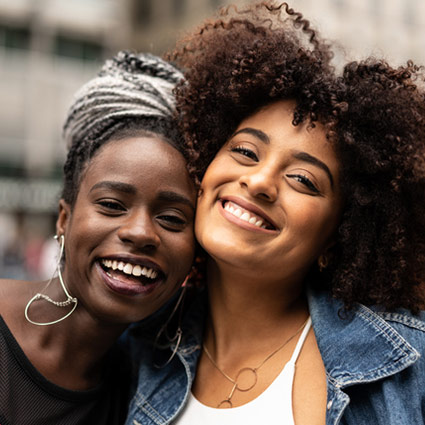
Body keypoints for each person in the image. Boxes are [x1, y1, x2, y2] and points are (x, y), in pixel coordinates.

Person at [124, 2, 425, 425]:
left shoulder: (412, 367)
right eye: (246, 151)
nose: (260, 181)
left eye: (303, 179)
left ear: (339, 235)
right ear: (203, 168)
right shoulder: (134, 344)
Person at [0, 51, 196, 424]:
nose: (140, 233)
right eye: (111, 204)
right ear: (64, 218)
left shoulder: (148, 393)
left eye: (172, 218)